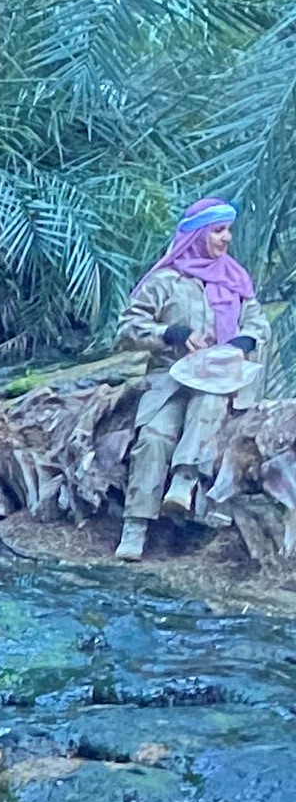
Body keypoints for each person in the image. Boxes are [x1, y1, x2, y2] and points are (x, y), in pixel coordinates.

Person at [114, 199, 268, 558]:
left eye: (228, 230)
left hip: (221, 378)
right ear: (197, 235)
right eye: (218, 231)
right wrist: (169, 333)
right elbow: (126, 328)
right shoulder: (165, 281)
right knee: (153, 438)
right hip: (169, 380)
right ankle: (134, 529)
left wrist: (244, 341)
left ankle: (183, 483)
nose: (226, 238)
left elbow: (257, 323)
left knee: (209, 401)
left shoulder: (235, 279)